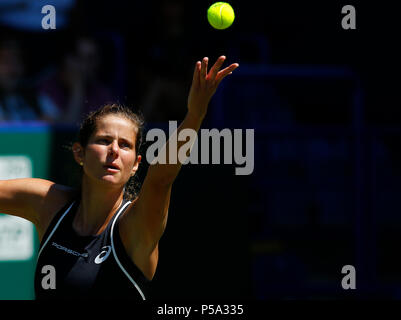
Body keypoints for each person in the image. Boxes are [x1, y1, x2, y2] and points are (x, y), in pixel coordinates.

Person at [0, 56, 239, 299]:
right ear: (79, 152)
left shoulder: (135, 225)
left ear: (136, 165)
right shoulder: (47, 202)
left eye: (125, 145)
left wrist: (194, 116)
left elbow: (160, 179)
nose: (114, 150)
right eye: (104, 141)